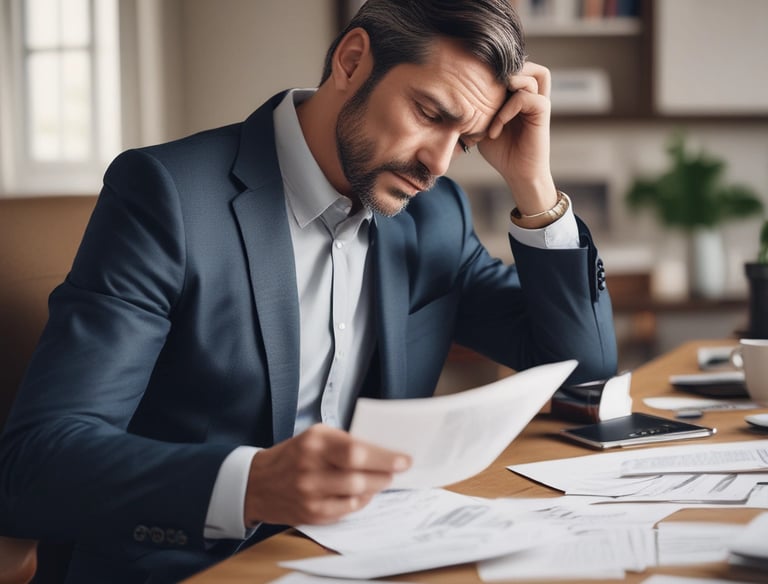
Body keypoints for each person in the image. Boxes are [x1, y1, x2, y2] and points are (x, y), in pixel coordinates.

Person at [0, 1, 617, 582]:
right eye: (431, 115)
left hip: (373, 554)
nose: (440, 164)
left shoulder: (435, 215)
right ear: (352, 61)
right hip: (196, 565)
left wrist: (533, 184)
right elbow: (35, 465)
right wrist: (250, 484)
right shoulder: (167, 196)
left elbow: (580, 372)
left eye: (467, 140)